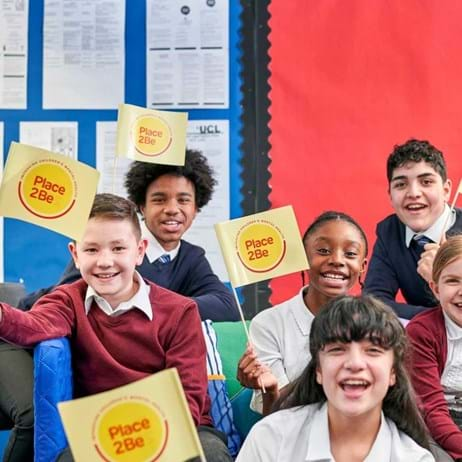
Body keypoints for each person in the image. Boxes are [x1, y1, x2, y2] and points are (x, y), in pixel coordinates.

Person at [0, 194, 232, 462]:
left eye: (118, 249)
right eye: (92, 250)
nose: (105, 261)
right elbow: (32, 326)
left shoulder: (180, 311)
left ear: (140, 251)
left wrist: (144, 444)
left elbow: (188, 402)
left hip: (176, 426)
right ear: (75, 255)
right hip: (101, 430)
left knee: (210, 454)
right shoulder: (67, 299)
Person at [19, 149, 239, 323]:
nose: (172, 209)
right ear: (141, 206)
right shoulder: (108, 246)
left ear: (196, 207)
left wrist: (153, 305)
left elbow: (226, 305)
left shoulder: (190, 257)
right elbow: (69, 300)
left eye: (183, 200)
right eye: (159, 200)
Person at [236, 295, 434, 462]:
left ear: (393, 373)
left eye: (372, 351)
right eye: (337, 350)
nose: (355, 363)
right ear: (318, 370)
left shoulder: (415, 458)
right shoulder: (270, 439)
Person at [237, 211, 368, 415]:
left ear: (362, 267)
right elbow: (276, 416)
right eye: (323, 251)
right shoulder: (269, 324)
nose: (337, 260)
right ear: (303, 258)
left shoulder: (374, 323)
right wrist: (271, 391)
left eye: (350, 254)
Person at [364, 138, 462, 320]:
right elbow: (373, 303)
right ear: (390, 196)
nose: (414, 193)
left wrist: (441, 276)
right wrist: (433, 322)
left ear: (446, 190)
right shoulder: (389, 232)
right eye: (401, 184)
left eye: (426, 182)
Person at [406, 235, 462, 460]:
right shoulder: (422, 331)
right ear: (436, 288)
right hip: (431, 425)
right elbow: (431, 409)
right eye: (452, 281)